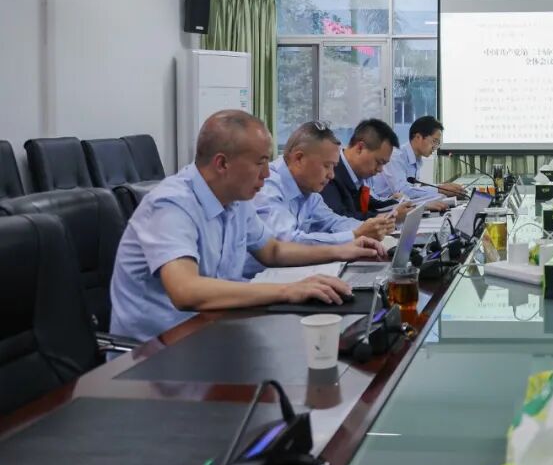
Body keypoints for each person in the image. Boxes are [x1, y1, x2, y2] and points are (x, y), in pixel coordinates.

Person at [110, 110, 378, 342]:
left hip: (217, 329)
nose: (267, 173)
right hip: (159, 350)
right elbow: (186, 291)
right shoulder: (171, 204)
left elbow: (273, 251)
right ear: (222, 163)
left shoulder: (236, 200)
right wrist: (288, 291)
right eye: (260, 163)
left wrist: (343, 250)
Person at [245, 121, 392, 277]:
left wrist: (370, 228)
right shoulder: (267, 187)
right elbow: (287, 242)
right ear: (299, 159)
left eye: (334, 167)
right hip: (256, 280)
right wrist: (353, 236)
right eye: (327, 166)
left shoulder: (309, 191)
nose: (332, 175)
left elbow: (333, 221)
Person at [321, 118, 412, 223]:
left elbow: (368, 204)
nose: (380, 169)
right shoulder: (330, 173)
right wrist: (386, 217)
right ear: (360, 148)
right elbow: (339, 218)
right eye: (378, 162)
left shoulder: (356, 174)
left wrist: (397, 205)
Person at [370, 115, 466, 211]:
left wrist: (441, 187)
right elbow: (403, 191)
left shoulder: (417, 159)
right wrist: (440, 189)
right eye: (434, 141)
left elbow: (414, 189)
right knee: (440, 196)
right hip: (384, 207)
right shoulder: (395, 157)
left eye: (438, 143)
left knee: (441, 197)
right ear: (418, 137)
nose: (435, 147)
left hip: (402, 203)